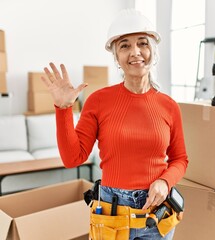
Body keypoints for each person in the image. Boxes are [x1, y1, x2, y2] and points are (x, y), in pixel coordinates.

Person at [41, 9, 188, 240]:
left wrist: (164, 181)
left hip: (157, 212)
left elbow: (180, 159)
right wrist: (63, 109)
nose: (135, 52)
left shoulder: (169, 106)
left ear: (153, 50)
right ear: (116, 56)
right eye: (125, 46)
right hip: (111, 213)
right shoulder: (99, 101)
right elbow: (73, 158)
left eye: (142, 43)